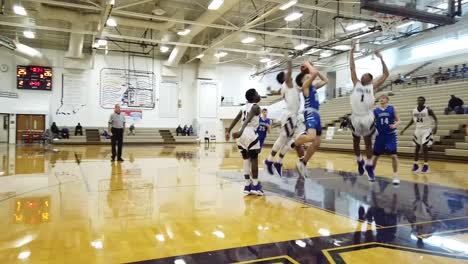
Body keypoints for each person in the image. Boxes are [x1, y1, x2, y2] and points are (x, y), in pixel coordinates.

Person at [349, 42, 389, 177]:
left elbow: (385, 74)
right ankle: (359, 160)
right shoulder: (356, 82)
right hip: (355, 116)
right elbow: (352, 68)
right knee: (355, 142)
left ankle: (369, 165)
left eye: (365, 75)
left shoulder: (374, 86)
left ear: (370, 79)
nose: (362, 76)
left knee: (367, 142)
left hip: (366, 116)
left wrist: (381, 58)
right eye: (362, 75)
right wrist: (351, 52)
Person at [264, 60, 302, 176]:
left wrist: (271, 91)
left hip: (294, 116)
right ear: (285, 78)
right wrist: (289, 59)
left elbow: (277, 92)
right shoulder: (287, 84)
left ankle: (278, 162)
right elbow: (289, 72)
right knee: (282, 139)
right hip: (289, 115)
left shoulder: (289, 87)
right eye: (287, 75)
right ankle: (269, 160)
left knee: (289, 141)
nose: (289, 76)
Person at [225, 88, 263, 195]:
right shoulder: (256, 107)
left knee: (246, 160)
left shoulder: (243, 107)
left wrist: (228, 130)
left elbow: (237, 119)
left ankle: (247, 185)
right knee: (254, 159)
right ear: (253, 97)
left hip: (241, 136)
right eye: (257, 94)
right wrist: (241, 130)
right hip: (249, 132)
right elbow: (248, 119)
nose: (259, 95)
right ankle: (255, 186)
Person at [294, 61, 328, 177]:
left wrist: (314, 69)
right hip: (310, 113)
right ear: (303, 80)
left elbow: (325, 80)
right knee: (311, 137)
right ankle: (295, 142)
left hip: (317, 114)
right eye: (307, 76)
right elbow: (314, 73)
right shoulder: (305, 87)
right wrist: (308, 64)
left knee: (317, 143)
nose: (309, 75)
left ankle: (303, 163)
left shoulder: (313, 87)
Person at [368, 95, 401, 184]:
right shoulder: (376, 111)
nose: (381, 100)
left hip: (390, 136)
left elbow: (399, 121)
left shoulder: (392, 108)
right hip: (380, 136)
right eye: (380, 99)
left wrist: (395, 125)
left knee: (394, 156)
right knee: (375, 156)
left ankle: (395, 175)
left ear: (387, 100)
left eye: (383, 98)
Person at [401, 96, 438, 173]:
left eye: (421, 100)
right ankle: (415, 165)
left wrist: (436, 127)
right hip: (418, 130)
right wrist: (404, 129)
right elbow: (412, 120)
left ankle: (426, 165)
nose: (420, 101)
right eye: (418, 100)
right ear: (417, 101)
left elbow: (436, 119)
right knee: (417, 147)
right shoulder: (414, 110)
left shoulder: (428, 110)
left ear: (424, 102)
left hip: (426, 130)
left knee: (424, 147)